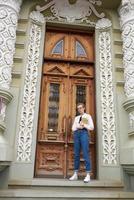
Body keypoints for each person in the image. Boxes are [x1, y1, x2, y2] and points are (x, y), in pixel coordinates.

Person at [69, 103, 94, 183]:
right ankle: (75, 174)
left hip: (84, 134)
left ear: (84, 108)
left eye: (80, 108)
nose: (79, 109)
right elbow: (73, 128)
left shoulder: (87, 116)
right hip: (76, 134)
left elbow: (92, 127)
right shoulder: (77, 118)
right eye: (78, 108)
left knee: (85, 153)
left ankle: (88, 175)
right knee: (76, 154)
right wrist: (77, 126)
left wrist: (84, 125)